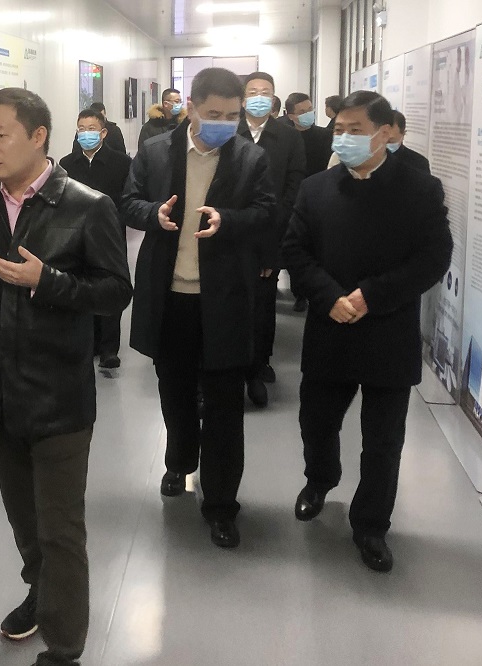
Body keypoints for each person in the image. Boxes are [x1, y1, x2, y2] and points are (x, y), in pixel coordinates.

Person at [0, 87, 132, 666]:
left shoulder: (87, 206)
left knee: (61, 530)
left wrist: (48, 282)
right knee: (25, 521)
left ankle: (65, 645)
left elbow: (116, 292)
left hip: (58, 397)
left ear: (38, 136)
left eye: (1, 135)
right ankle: (41, 592)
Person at [282, 91, 453, 573]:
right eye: (339, 129)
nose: (344, 138)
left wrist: (371, 296)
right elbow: (294, 250)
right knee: (316, 422)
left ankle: (371, 524)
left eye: (355, 130)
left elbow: (434, 257)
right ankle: (320, 480)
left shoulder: (420, 188)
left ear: (384, 133)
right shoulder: (316, 189)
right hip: (330, 327)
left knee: (383, 440)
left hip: (388, 330)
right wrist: (329, 297)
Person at [121, 68, 275, 549]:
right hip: (170, 297)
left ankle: (222, 505)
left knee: (226, 406)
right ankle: (180, 461)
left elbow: (268, 213)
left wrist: (229, 220)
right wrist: (154, 214)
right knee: (176, 392)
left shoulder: (251, 158)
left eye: (232, 116)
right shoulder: (154, 152)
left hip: (224, 300)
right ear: (190, 108)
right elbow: (127, 202)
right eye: (214, 114)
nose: (224, 123)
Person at [237, 72, 306, 409]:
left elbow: (294, 186)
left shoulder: (288, 137)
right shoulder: (229, 131)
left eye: (265, 92)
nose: (259, 97)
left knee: (263, 304)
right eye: (253, 92)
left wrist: (276, 235)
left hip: (270, 233)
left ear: (274, 97)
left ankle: (260, 361)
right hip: (230, 230)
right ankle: (232, 364)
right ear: (243, 98)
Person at [59, 107, 134, 369]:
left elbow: (128, 200)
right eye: (81, 129)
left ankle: (109, 348)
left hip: (111, 234)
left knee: (110, 286)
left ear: (103, 132)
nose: (86, 134)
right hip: (77, 235)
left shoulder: (121, 163)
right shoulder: (67, 164)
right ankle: (90, 342)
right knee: (83, 286)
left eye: (91, 129)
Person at [282, 92, 333, 312]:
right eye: (302, 111)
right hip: (294, 200)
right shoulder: (286, 138)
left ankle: (320, 291)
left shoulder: (326, 136)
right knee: (297, 247)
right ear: (290, 115)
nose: (307, 114)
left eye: (310, 109)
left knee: (318, 248)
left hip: (320, 198)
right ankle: (300, 293)